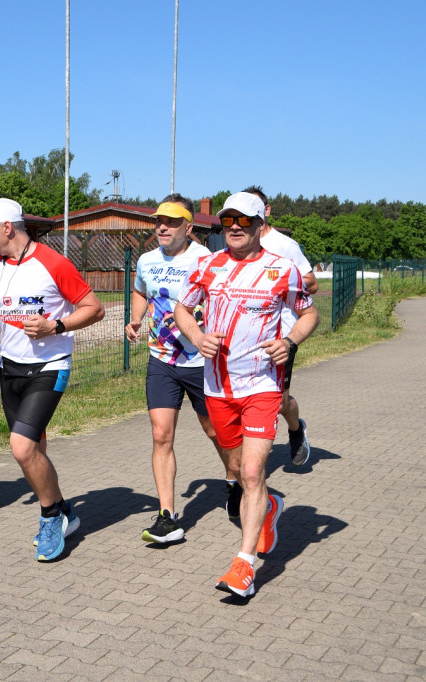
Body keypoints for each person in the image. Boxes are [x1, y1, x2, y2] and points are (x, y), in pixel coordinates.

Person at [173, 191, 319, 598]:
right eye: (227, 222)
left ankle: (245, 564)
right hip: (218, 386)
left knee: (254, 473)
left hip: (262, 384)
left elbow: (309, 312)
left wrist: (289, 341)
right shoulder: (209, 265)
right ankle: (269, 507)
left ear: (259, 226)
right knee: (236, 469)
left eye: (243, 221)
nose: (234, 227)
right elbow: (183, 309)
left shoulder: (283, 269)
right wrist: (198, 336)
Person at [0, 198, 105, 562]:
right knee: (34, 451)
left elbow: (95, 308)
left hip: (49, 366)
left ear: (7, 227)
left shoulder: (53, 263)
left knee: (22, 448)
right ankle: (66, 512)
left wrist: (54, 326)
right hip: (9, 368)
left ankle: (49, 518)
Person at [125, 193, 228, 545]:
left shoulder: (208, 260)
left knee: (216, 432)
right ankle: (167, 516)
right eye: (158, 221)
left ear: (189, 226)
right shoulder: (147, 260)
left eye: (170, 221)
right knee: (160, 435)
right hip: (161, 360)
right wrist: (136, 318)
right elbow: (140, 290)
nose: (162, 227)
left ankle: (236, 482)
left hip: (200, 362)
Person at [245, 186, 315, 467]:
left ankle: (296, 427)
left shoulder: (285, 246)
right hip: (244, 335)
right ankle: (248, 468)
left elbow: (311, 281)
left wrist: (276, 284)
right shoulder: (235, 246)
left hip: (280, 333)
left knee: (279, 400)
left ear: (266, 211)